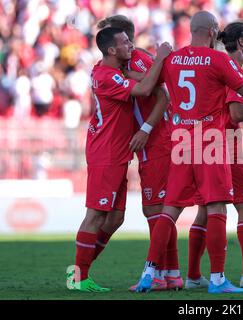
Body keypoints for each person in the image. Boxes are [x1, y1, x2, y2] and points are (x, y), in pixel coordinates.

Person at [132, 11, 243, 294]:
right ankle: (217, 280)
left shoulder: (173, 59)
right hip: (210, 140)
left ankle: (149, 273)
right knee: (215, 207)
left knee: (170, 209)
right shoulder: (218, 59)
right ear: (213, 31)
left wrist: (156, 59)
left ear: (192, 30)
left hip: (181, 140)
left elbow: (147, 86)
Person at [66, 27, 172, 292]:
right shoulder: (105, 76)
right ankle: (78, 277)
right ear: (111, 50)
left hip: (117, 151)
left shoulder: (108, 70)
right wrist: (159, 58)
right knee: (96, 214)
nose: (131, 45)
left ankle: (79, 272)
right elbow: (147, 89)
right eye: (125, 42)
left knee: (115, 219)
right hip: (106, 152)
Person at [185, 21, 243, 290]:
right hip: (225, 141)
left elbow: (236, 104)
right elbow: (236, 113)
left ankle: (193, 276)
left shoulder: (218, 64)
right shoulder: (232, 67)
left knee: (205, 209)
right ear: (242, 43)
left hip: (206, 139)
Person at [97, 15, 182, 292]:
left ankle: (157, 274)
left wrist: (145, 128)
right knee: (158, 209)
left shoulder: (138, 61)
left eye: (116, 38)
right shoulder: (127, 66)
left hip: (157, 141)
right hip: (153, 143)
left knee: (155, 209)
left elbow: (162, 95)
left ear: (124, 40)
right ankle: (172, 273)